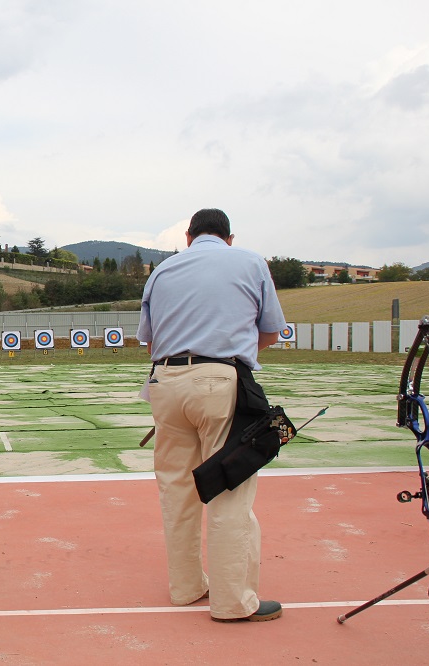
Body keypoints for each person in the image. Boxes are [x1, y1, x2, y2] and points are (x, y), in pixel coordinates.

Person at [137, 208, 287, 622]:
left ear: (188, 237)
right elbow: (271, 331)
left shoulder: (162, 271)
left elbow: (148, 338)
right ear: (229, 238)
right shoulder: (250, 261)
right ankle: (232, 601)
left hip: (164, 383)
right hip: (219, 382)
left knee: (177, 491)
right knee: (229, 489)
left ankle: (186, 588)